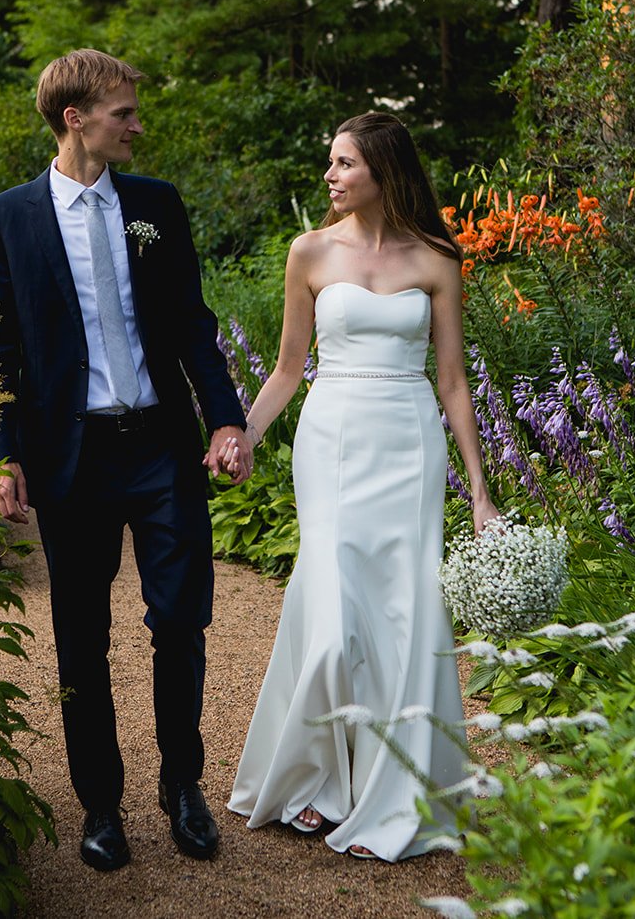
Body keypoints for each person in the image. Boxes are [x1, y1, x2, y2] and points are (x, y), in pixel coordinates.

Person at [0, 48, 254, 873]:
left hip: (161, 446)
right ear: (75, 119)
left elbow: (194, 326)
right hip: (73, 456)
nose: (136, 124)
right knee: (79, 634)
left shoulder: (156, 206)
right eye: (123, 112)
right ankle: (100, 802)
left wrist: (226, 419)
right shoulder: (7, 219)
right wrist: (0, 455)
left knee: (181, 620)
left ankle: (183, 785)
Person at [225, 111, 501, 861]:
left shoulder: (438, 257)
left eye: (344, 163)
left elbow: (452, 382)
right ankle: (318, 780)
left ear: (383, 169)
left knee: (402, 607)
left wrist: (479, 489)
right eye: (331, 162)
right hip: (334, 436)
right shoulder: (309, 251)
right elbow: (287, 368)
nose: (330, 175)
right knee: (334, 602)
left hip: (408, 439)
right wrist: (241, 435)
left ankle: (400, 780)